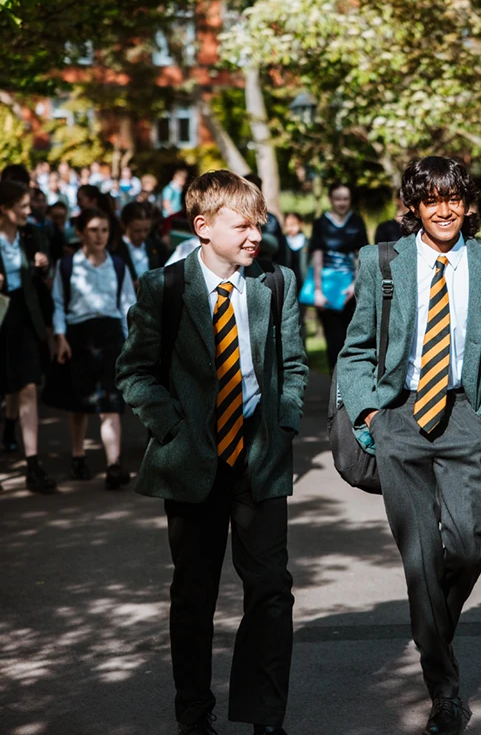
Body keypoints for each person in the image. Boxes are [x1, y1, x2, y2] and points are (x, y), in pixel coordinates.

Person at [115, 170, 308, 735]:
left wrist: (285, 420)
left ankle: (264, 716)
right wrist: (171, 427)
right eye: (242, 225)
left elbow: (292, 363)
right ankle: (194, 712)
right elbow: (135, 372)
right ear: (203, 227)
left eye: (260, 224)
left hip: (258, 457)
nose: (255, 235)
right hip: (193, 461)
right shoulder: (165, 288)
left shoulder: (275, 282)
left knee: (271, 590)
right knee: (194, 594)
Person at [338, 156, 481, 735]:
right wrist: (369, 411)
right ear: (412, 206)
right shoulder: (380, 260)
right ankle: (444, 688)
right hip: (399, 416)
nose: (444, 210)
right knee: (420, 558)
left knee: (466, 547)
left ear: (468, 204)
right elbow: (356, 347)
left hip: (464, 415)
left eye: (454, 198)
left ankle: (431, 629)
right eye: (431, 199)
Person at [46, 208, 137, 488]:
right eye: (94, 230)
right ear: (82, 232)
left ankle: (114, 464)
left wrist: (130, 342)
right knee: (80, 403)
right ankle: (78, 455)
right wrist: (60, 336)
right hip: (78, 335)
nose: (100, 236)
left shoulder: (118, 264)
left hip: (109, 334)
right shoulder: (68, 265)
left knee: (111, 402)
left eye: (105, 230)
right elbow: (59, 303)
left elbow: (126, 306)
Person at [0, 180, 56, 492]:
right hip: (0, 316)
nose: (27, 210)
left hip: (23, 316)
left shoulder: (31, 234)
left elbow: (44, 276)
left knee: (28, 387)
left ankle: (33, 464)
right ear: (3, 209)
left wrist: (43, 266)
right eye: (21, 206)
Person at [308, 182, 369, 364]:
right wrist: (318, 291)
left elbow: (363, 255)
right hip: (327, 289)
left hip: (351, 290)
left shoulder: (357, 221)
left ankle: (350, 386)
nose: (342, 203)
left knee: (351, 341)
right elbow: (317, 258)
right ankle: (335, 388)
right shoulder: (321, 223)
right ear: (330, 200)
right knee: (333, 342)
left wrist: (354, 285)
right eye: (338, 199)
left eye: (345, 199)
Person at [113, 202, 169, 286]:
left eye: (146, 230)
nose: (142, 235)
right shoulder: (115, 250)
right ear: (124, 226)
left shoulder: (158, 247)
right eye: (137, 231)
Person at [278, 212, 308, 281]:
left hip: (303, 280)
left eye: (293, 225)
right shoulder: (282, 242)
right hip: (287, 280)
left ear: (301, 224)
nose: (290, 228)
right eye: (287, 225)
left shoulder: (307, 243)